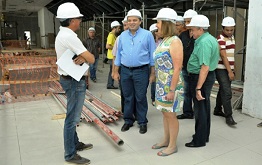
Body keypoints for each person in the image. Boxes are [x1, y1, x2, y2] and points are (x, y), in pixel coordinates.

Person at [55, 2, 95, 164]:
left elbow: (82, 57)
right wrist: (86, 57)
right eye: (78, 19)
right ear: (72, 20)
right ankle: (70, 154)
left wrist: (82, 57)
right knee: (72, 118)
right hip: (73, 81)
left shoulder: (62, 34)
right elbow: (91, 59)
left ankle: (75, 143)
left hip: (69, 78)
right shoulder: (70, 36)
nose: (80, 21)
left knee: (73, 115)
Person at [113, 9, 156, 134]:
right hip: (125, 70)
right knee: (127, 97)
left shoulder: (147, 35)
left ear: (140, 21)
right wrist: (115, 71)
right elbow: (119, 56)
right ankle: (128, 120)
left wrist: (152, 73)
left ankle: (142, 121)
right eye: (129, 20)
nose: (131, 23)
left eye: (135, 20)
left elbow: (152, 55)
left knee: (141, 97)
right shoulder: (122, 36)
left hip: (141, 71)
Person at [150, 8, 184, 156]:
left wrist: (171, 90)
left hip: (171, 85)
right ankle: (166, 139)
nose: (157, 25)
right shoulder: (165, 40)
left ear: (166, 23)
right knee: (165, 113)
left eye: (158, 22)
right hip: (162, 85)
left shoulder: (175, 41)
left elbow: (177, 68)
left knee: (171, 115)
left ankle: (172, 145)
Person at [185, 15, 219, 148]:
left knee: (200, 110)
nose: (191, 32)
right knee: (204, 107)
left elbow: (204, 67)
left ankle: (199, 140)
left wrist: (198, 88)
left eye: (193, 29)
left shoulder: (204, 42)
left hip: (200, 78)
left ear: (200, 29)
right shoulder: (208, 38)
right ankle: (204, 135)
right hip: (204, 77)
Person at [214, 16, 237, 126]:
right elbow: (223, 56)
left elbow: (231, 55)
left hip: (229, 68)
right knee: (227, 93)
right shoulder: (220, 39)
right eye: (227, 30)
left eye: (231, 29)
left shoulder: (232, 38)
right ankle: (229, 116)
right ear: (222, 28)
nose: (229, 32)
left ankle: (217, 109)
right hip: (221, 69)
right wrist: (229, 71)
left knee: (222, 90)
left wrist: (234, 68)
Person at [177, 9, 198, 120]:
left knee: (196, 91)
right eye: (186, 21)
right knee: (186, 91)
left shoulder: (200, 35)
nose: (187, 24)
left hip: (196, 69)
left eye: (189, 21)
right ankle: (187, 112)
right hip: (185, 68)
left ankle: (198, 111)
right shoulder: (183, 35)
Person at [112, 16, 128, 113]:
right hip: (123, 68)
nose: (126, 27)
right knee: (124, 91)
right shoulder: (119, 38)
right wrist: (115, 71)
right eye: (124, 25)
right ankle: (125, 111)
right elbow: (115, 56)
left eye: (127, 25)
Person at [149, 23, 162, 106]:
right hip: (153, 64)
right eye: (156, 31)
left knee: (161, 82)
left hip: (161, 64)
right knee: (154, 82)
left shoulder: (162, 41)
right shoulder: (151, 42)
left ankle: (160, 98)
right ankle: (153, 98)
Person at [106, 20, 121, 89]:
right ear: (114, 28)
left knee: (112, 70)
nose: (119, 29)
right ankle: (110, 84)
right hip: (111, 56)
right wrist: (116, 48)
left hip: (112, 56)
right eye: (118, 28)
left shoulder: (114, 36)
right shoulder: (111, 36)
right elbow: (108, 46)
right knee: (112, 70)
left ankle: (110, 84)